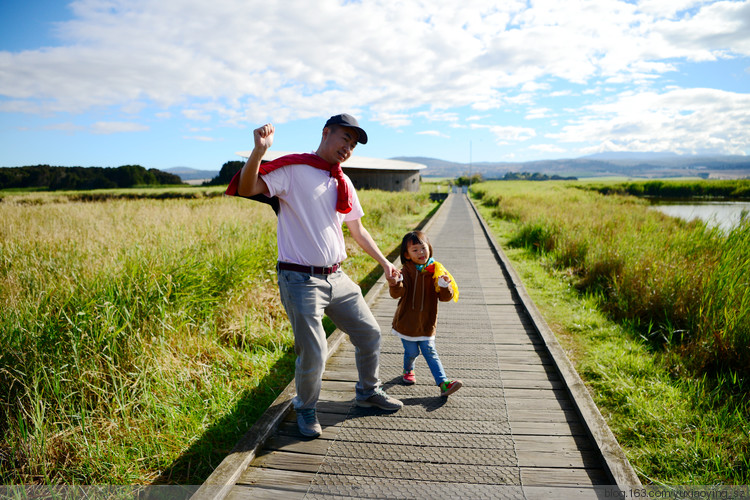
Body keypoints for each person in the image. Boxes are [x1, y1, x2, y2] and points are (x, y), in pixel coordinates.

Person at [226, 113, 403, 438]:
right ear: (325, 133)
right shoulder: (294, 170)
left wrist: (385, 263)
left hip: (337, 277)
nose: (347, 147)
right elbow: (249, 186)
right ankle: (305, 408)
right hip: (299, 279)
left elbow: (357, 230)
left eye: (352, 144)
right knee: (315, 350)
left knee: (369, 333)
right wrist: (259, 151)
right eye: (344, 139)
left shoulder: (341, 181)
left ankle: (367, 392)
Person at [388, 230, 462, 397]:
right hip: (407, 322)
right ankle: (408, 369)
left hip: (427, 322)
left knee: (429, 351)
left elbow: (445, 298)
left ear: (429, 248)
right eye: (415, 250)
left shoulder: (436, 271)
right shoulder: (405, 271)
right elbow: (396, 295)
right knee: (412, 352)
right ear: (407, 255)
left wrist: (444, 285)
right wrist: (396, 283)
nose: (420, 252)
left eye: (423, 248)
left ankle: (443, 383)